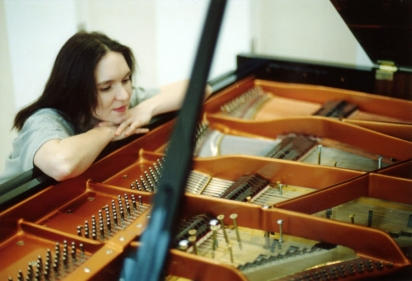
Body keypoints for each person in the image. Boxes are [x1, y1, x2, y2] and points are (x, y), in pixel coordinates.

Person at [0, 31, 212, 186]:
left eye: (126, 79)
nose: (124, 95)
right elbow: (62, 164)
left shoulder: (119, 103)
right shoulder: (44, 119)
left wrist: (144, 109)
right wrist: (106, 130)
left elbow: (202, 88)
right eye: (106, 87)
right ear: (77, 90)